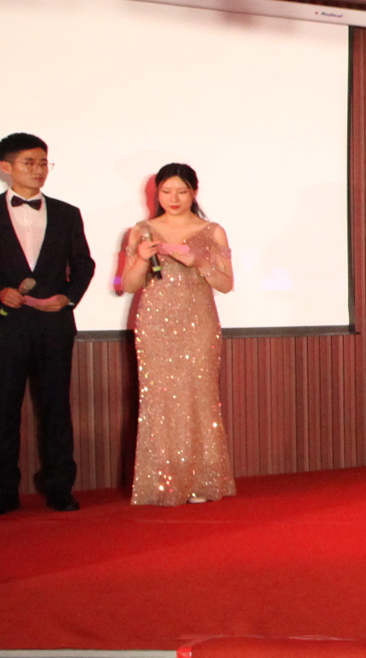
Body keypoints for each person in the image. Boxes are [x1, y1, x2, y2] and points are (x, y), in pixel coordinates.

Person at [0, 132, 96, 517]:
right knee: (4, 410)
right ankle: (2, 493)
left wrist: (68, 297)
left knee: (56, 409)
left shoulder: (67, 213)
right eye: (29, 163)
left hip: (53, 325)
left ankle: (60, 488)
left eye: (44, 163)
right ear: (5, 167)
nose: (38, 170)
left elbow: (84, 264)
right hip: (2, 326)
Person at [119, 162, 237, 506]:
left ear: (194, 192)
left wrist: (200, 264)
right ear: (156, 194)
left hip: (199, 323)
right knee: (158, 400)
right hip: (155, 324)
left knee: (200, 396)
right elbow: (128, 285)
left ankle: (202, 481)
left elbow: (226, 284)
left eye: (182, 191)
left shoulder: (212, 231)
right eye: (166, 191)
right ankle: (163, 483)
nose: (173, 198)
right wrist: (141, 259)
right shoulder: (142, 231)